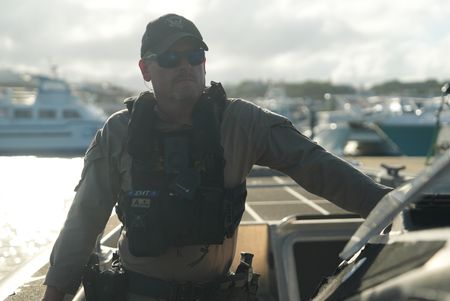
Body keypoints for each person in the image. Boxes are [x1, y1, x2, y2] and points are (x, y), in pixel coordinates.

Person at [42, 13, 391, 301]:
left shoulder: (242, 122)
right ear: (145, 70)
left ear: (204, 63)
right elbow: (84, 220)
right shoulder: (119, 132)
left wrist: (393, 208)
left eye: (194, 56)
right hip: (139, 293)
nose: (185, 66)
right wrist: (54, 295)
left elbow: (318, 167)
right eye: (169, 58)